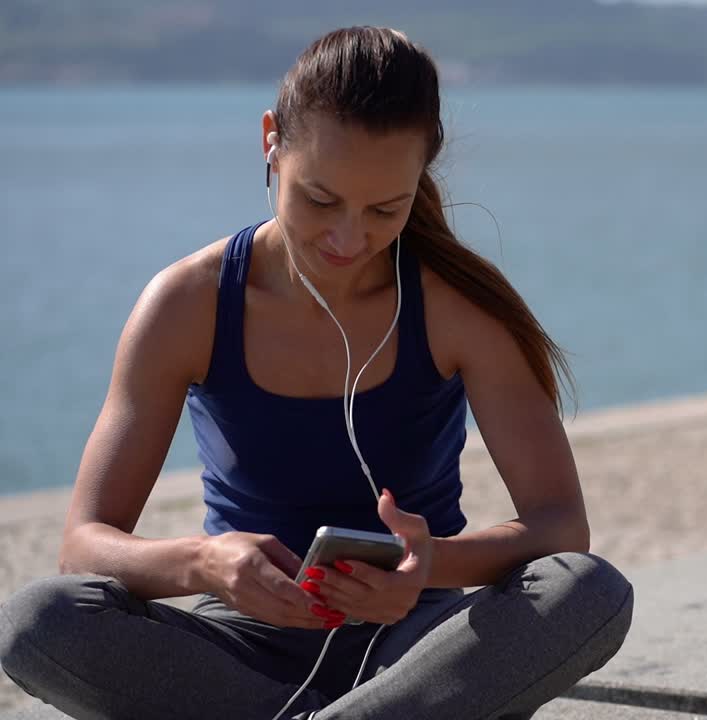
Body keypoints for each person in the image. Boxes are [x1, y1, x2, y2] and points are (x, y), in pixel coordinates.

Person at [0, 26, 633, 720]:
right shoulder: (187, 304)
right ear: (271, 142)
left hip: (418, 647)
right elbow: (84, 546)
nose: (348, 238)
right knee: (38, 621)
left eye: (385, 210)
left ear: (420, 178)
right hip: (238, 650)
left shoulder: (459, 309)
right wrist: (204, 563)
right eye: (320, 200)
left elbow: (559, 526)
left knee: (588, 591)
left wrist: (429, 565)